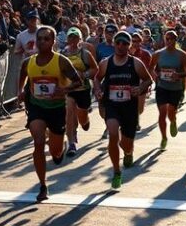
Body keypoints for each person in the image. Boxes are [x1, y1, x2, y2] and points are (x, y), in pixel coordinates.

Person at [17, 26, 84, 202]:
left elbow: (78, 81)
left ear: (53, 42)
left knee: (55, 151)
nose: (42, 42)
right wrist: (21, 92)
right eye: (39, 38)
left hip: (56, 109)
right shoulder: (28, 62)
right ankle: (43, 185)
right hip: (36, 107)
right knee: (38, 142)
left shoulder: (61, 61)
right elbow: (23, 75)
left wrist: (64, 90)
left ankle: (58, 149)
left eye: (46, 39)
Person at [93, 31, 153, 189]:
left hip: (129, 108)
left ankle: (128, 152)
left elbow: (148, 80)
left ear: (129, 45)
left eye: (125, 43)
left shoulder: (136, 63)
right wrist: (97, 90)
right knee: (112, 134)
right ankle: (116, 171)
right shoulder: (106, 63)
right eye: (118, 42)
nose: (121, 46)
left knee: (126, 144)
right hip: (112, 105)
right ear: (114, 43)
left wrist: (140, 88)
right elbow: (97, 78)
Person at [150, 30, 186, 150]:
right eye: (167, 39)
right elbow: (151, 68)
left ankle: (173, 121)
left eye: (172, 39)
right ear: (164, 39)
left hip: (176, 88)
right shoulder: (158, 54)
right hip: (162, 87)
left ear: (175, 40)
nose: (169, 41)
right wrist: (155, 76)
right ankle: (164, 137)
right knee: (162, 113)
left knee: (171, 112)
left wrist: (179, 75)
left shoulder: (181, 54)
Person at [60, 27, 98, 157]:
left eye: (75, 37)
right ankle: (71, 143)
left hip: (83, 89)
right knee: (69, 111)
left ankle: (85, 121)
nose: (73, 39)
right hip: (69, 90)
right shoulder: (62, 54)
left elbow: (95, 69)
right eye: (70, 37)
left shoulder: (85, 54)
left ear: (79, 39)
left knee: (82, 118)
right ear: (67, 38)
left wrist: (84, 74)